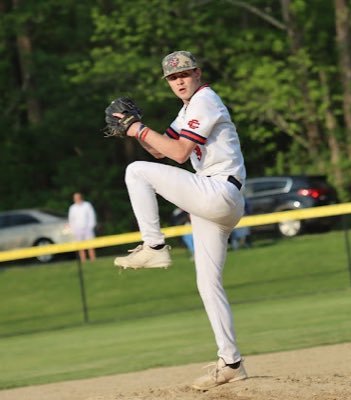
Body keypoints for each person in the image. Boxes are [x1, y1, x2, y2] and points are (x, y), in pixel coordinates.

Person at [113, 51, 247, 390]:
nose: (180, 81)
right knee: (207, 283)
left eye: (185, 73)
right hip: (212, 201)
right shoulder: (188, 109)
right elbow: (161, 149)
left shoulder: (205, 100)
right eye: (173, 78)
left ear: (198, 73)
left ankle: (155, 246)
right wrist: (134, 132)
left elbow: (178, 154)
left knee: (135, 171)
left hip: (218, 190)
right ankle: (231, 362)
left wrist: (138, 128)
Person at [68, 192, 97, 262]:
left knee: (90, 245)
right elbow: (71, 219)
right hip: (77, 229)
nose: (76, 199)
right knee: (81, 246)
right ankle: (83, 260)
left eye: (77, 197)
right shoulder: (72, 208)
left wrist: (91, 226)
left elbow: (92, 216)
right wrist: (73, 229)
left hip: (87, 228)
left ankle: (93, 260)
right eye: (75, 198)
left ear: (80, 198)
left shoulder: (87, 205)